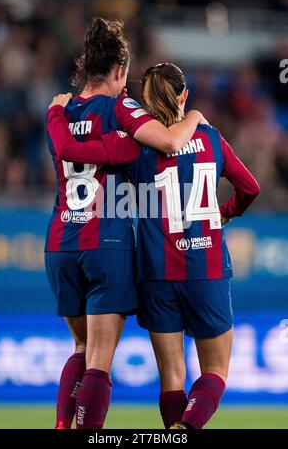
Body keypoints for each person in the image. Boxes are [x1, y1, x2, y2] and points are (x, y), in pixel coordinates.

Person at [48, 62, 260, 430]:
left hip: (157, 272)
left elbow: (76, 152)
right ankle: (186, 429)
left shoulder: (135, 148)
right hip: (206, 267)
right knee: (215, 370)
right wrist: (223, 213)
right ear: (184, 95)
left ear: (143, 102)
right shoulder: (211, 138)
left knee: (172, 378)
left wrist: (62, 115)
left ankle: (171, 429)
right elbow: (250, 188)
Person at [45, 19, 205, 430]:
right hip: (107, 241)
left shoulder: (59, 112)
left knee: (79, 346)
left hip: (61, 241)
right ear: (119, 70)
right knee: (99, 359)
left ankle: (64, 425)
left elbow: (67, 149)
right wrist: (195, 119)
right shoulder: (120, 107)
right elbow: (169, 143)